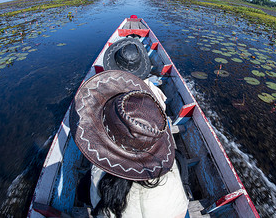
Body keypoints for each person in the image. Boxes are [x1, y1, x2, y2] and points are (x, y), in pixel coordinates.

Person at [70, 70, 189, 218]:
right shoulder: (171, 170)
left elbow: (83, 195)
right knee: (179, 160)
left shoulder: (98, 176)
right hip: (178, 212)